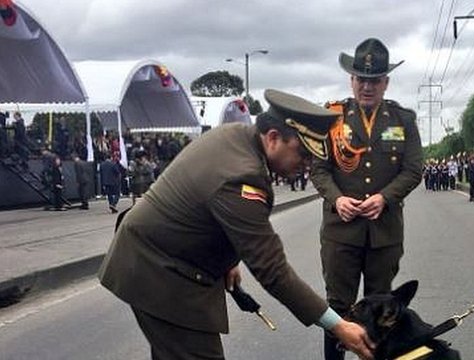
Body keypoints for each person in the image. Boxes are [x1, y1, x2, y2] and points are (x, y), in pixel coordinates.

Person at [98, 89, 375, 360]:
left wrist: (229, 258)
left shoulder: (236, 135)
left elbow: (204, 204)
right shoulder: (242, 178)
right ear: (274, 138)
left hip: (154, 257)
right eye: (303, 154)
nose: (307, 164)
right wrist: (338, 326)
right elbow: (273, 271)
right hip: (160, 275)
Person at [310, 38, 422, 360]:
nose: (367, 87)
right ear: (352, 80)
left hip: (383, 232)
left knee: (382, 313)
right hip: (341, 232)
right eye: (362, 79)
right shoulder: (332, 118)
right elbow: (319, 170)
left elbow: (413, 169)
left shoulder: (403, 120)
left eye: (374, 80)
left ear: (386, 82)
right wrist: (337, 199)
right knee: (336, 310)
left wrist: (385, 197)